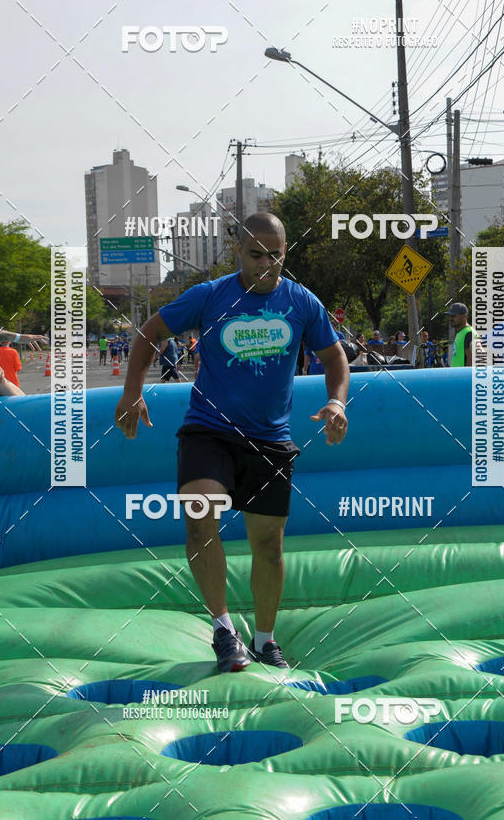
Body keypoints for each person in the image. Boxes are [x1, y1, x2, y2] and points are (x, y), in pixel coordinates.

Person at [114, 212, 349, 673]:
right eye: (255, 254)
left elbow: (334, 358)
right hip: (210, 429)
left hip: (270, 439)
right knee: (201, 512)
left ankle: (264, 639)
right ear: (238, 252)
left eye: (274, 255)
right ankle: (224, 630)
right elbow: (150, 332)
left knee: (268, 545)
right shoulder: (210, 295)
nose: (265, 264)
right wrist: (131, 390)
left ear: (285, 254)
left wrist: (337, 403)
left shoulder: (301, 302)